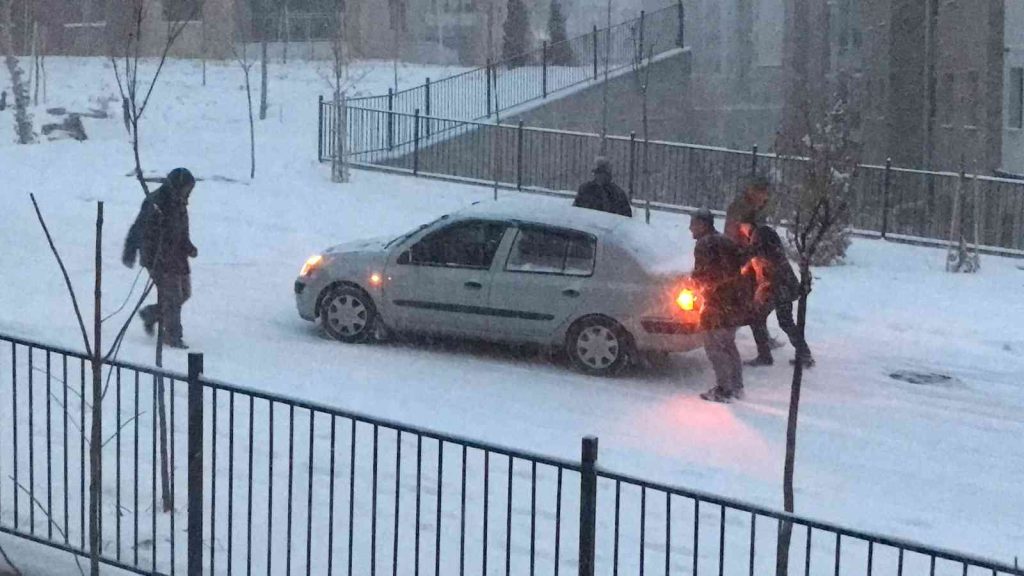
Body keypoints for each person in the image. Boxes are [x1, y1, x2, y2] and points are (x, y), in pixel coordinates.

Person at [122, 168, 198, 349]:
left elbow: (180, 231)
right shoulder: (156, 203)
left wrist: (188, 247)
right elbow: (138, 227)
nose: (189, 193)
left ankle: (152, 314)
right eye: (186, 188)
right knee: (172, 297)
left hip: (177, 256)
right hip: (158, 257)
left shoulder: (179, 203)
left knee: (184, 293)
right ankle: (172, 336)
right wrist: (130, 251)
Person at [689, 209, 751, 402]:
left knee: (714, 346)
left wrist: (695, 284)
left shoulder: (705, 244)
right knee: (728, 345)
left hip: (718, 302)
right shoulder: (724, 240)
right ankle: (737, 386)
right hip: (736, 300)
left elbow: (704, 274)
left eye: (694, 223)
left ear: (703, 225)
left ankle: (724, 390)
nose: (690, 228)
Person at [738, 219, 814, 367]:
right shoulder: (761, 238)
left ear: (749, 224)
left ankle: (765, 356)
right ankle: (804, 353)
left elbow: (753, 252)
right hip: (781, 285)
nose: (741, 231)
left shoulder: (761, 233)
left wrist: (736, 257)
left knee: (757, 318)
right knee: (784, 321)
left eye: (742, 227)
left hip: (776, 286)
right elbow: (756, 258)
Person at [724, 175, 771, 243]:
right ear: (753, 191)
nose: (766, 197)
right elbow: (735, 236)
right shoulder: (741, 208)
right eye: (763, 192)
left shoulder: (758, 209)